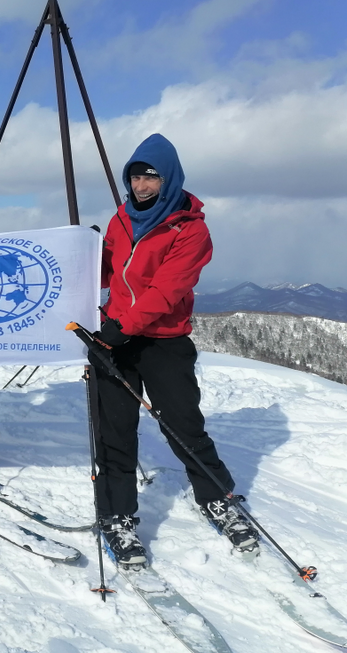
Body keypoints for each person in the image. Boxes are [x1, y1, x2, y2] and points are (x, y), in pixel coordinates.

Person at [91, 133, 258, 568]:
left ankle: (217, 497)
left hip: (162, 340)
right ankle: (117, 514)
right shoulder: (120, 220)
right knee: (114, 430)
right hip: (116, 335)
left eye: (151, 177)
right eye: (135, 176)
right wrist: (86, 255)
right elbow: (109, 271)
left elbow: (168, 289)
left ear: (169, 178)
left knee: (183, 424)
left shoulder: (191, 229)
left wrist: (120, 329)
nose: (142, 185)